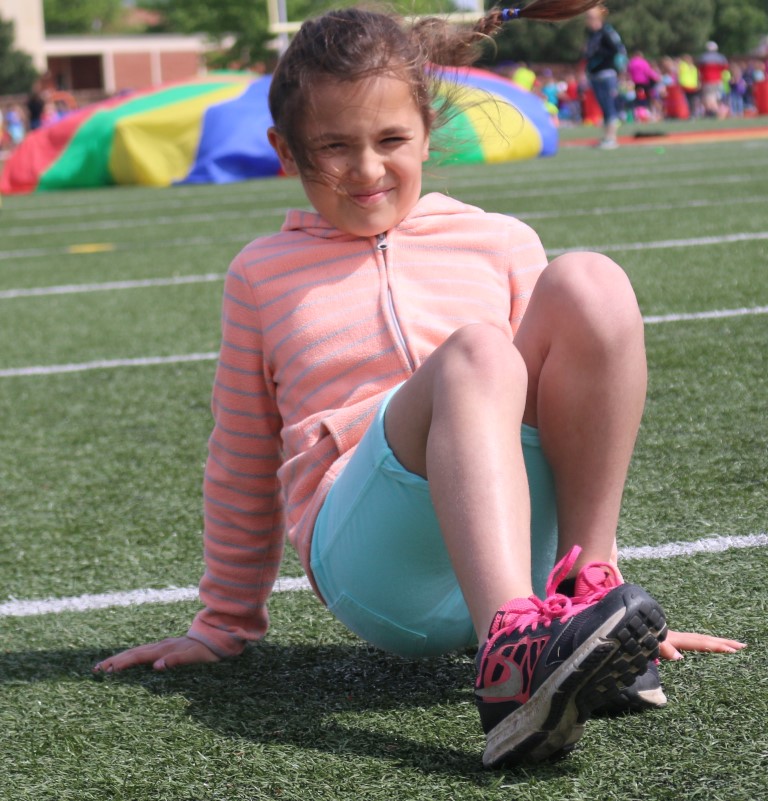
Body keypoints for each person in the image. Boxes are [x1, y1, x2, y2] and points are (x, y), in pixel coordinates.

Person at [93, 1, 745, 768]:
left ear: (428, 133)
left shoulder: (500, 240)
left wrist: (612, 598)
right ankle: (513, 654)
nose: (368, 169)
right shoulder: (260, 275)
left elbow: (568, 419)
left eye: (391, 140)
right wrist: (222, 623)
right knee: (480, 353)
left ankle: (583, 599)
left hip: (516, 538)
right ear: (285, 150)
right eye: (334, 146)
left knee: (591, 283)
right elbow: (241, 454)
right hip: (375, 558)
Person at [583, 3, 626, 149]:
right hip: (595, 75)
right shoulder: (592, 34)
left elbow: (615, 50)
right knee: (603, 107)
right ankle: (607, 137)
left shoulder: (606, 32)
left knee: (609, 106)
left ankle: (611, 138)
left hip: (606, 74)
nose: (587, 21)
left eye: (589, 17)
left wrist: (598, 52)